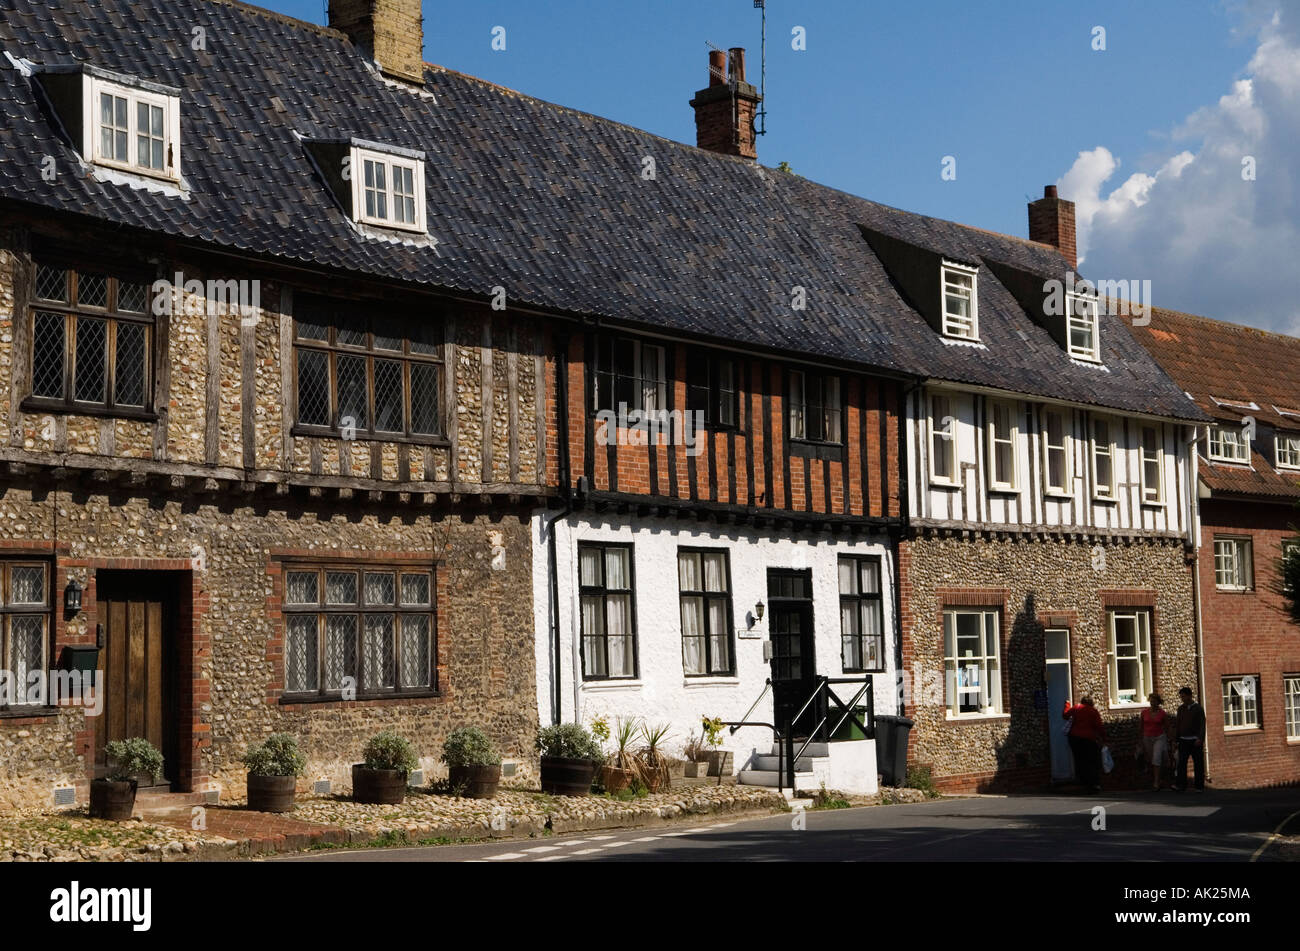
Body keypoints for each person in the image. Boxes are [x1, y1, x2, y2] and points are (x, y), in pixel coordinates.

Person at [1063, 695, 1107, 792]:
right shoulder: (1093, 711)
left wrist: (1067, 704)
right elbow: (1099, 726)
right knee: (1091, 761)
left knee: (1079, 760)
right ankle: (1093, 783)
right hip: (1088, 739)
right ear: (1091, 703)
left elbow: (1065, 715)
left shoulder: (1077, 707)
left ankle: (1082, 781)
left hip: (1074, 738)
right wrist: (1104, 739)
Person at [1174, 686, 1206, 792]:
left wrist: (1200, 738)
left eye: (1183, 696)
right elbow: (1178, 724)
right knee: (1181, 763)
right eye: (1181, 697)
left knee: (1198, 763)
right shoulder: (1181, 709)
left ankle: (1199, 786)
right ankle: (1181, 785)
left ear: (1189, 696)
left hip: (1195, 740)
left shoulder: (1198, 708)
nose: (1182, 699)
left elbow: (1202, 725)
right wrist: (1176, 739)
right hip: (1183, 739)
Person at [1139, 692, 1171, 790]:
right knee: (1150, 759)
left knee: (1156, 758)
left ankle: (1156, 783)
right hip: (1147, 737)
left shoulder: (1162, 713)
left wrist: (1171, 739)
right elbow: (1141, 727)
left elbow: (1167, 727)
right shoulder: (1144, 713)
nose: (1152, 703)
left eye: (1154, 701)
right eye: (1151, 701)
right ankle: (1158, 778)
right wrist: (1139, 740)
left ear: (1158, 702)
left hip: (1159, 737)